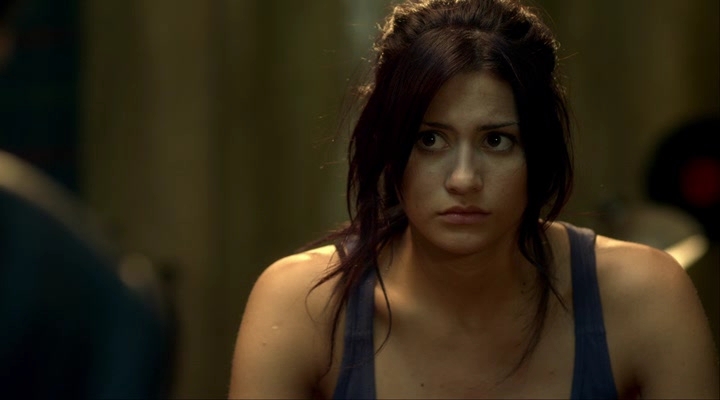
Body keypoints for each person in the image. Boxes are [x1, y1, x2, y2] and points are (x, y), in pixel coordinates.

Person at [229, 0, 720, 398]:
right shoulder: (302, 305)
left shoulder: (643, 297)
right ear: (388, 149)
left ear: (539, 154)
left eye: (497, 141)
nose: (463, 179)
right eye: (429, 140)